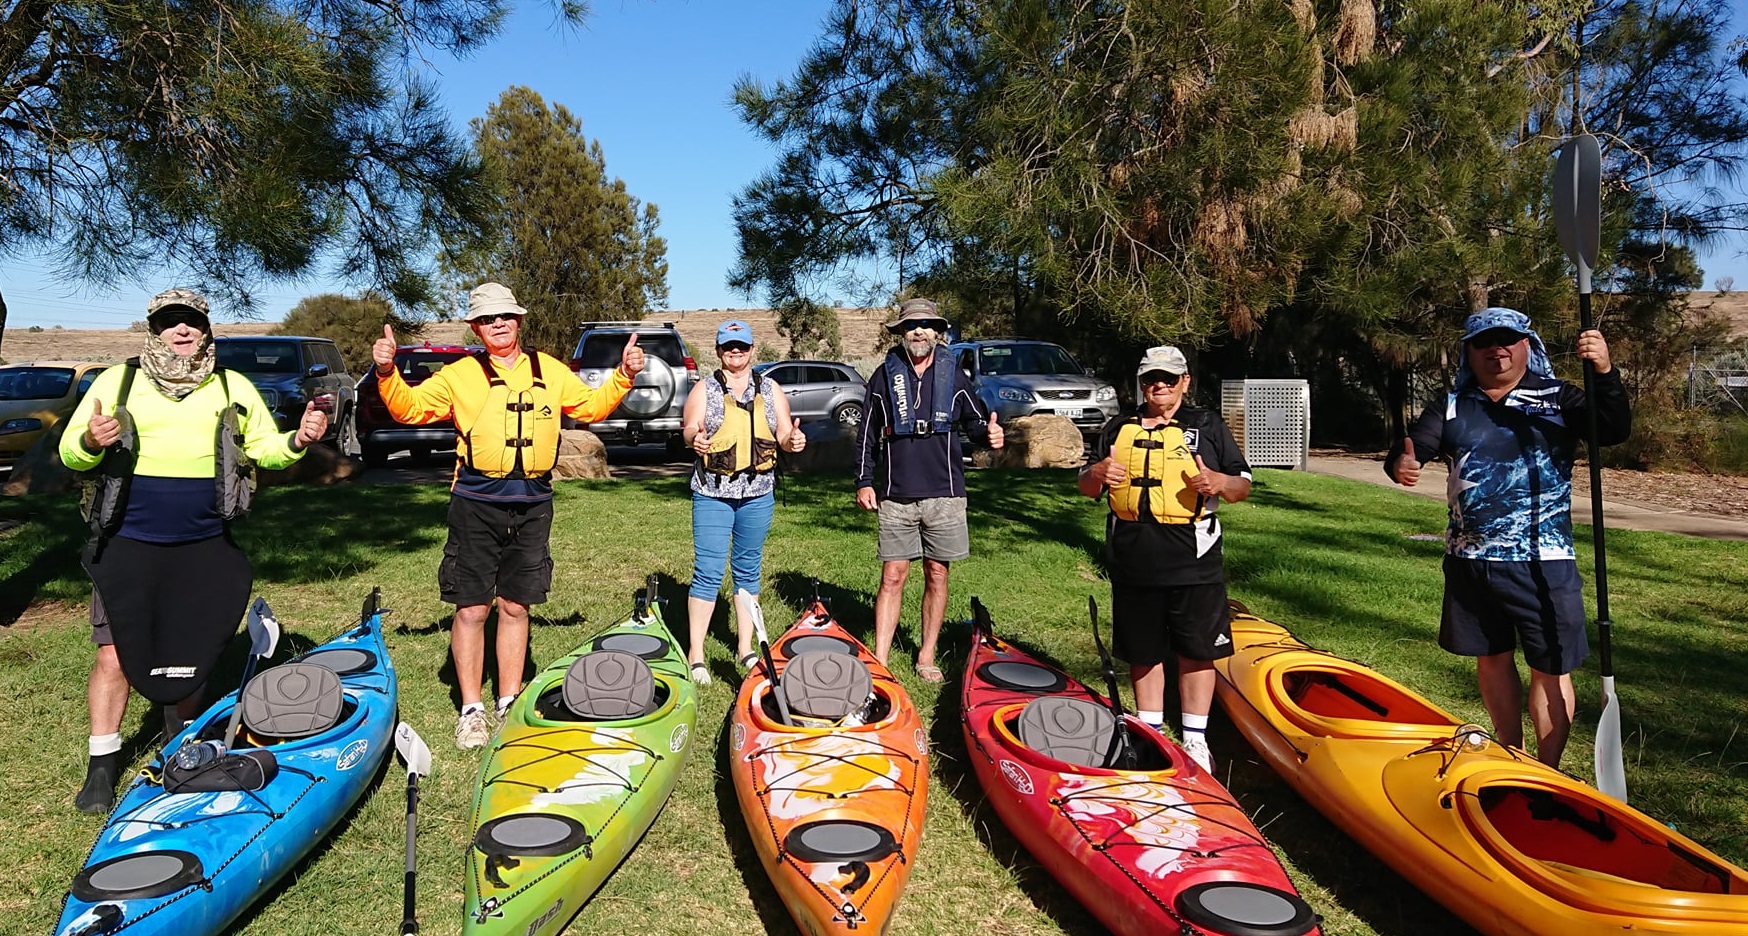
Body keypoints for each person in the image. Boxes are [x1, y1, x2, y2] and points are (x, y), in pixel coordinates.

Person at [61, 288, 326, 813]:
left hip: (203, 543)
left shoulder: (231, 384)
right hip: (127, 542)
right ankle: (102, 764)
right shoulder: (120, 380)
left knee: (192, 652)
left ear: (206, 330)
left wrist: (297, 441)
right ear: (154, 329)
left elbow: (265, 451)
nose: (181, 331)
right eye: (170, 323)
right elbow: (71, 453)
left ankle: (180, 746)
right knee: (113, 654)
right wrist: (92, 440)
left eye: (191, 323)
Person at [372, 282, 643, 748]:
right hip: (476, 501)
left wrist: (623, 374)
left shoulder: (549, 370)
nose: (498, 324)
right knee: (473, 607)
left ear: (518, 320)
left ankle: (510, 702)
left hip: (534, 501)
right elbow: (409, 409)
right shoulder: (460, 375)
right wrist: (385, 371)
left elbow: (590, 405)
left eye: (506, 316)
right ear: (476, 328)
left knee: (516, 605)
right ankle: (473, 709)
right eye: (488, 319)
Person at [1386, 307, 1630, 768]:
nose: (1496, 349)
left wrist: (1604, 371)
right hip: (1470, 563)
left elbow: (1613, 429)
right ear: (1470, 352)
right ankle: (1509, 753)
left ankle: (1546, 768)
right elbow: (1415, 444)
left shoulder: (1559, 398)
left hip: (1544, 561)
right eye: (1484, 342)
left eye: (1508, 340)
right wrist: (1401, 462)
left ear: (1526, 347)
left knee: (1550, 666)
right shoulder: (1454, 404)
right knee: (1491, 657)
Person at [1077, 345, 1250, 773]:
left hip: (1195, 559)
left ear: (1185, 382)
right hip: (1134, 558)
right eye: (1152, 378)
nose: (1159, 386)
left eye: (1169, 379)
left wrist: (1218, 480)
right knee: (1143, 650)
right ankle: (1149, 729)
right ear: (1141, 382)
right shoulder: (1119, 426)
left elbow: (1242, 485)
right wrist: (1096, 475)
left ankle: (1194, 738)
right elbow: (1085, 484)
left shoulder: (1207, 425)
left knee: (1196, 651)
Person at [854, 298, 1003, 683]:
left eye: (926, 325)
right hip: (895, 493)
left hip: (945, 491)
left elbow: (974, 424)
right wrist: (864, 481)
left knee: (937, 572)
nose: (918, 331)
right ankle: (881, 659)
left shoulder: (954, 375)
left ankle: (926, 654)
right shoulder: (883, 376)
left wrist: (989, 434)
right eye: (910, 325)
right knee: (893, 575)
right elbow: (866, 434)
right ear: (901, 333)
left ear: (938, 332)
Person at [679, 320, 806, 684]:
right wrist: (695, 441)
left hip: (758, 494)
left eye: (742, 346)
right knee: (708, 572)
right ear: (719, 351)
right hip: (713, 494)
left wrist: (793, 441)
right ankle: (697, 655)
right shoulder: (705, 389)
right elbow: (689, 427)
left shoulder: (770, 388)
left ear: (752, 350)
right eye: (729, 347)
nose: (736, 352)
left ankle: (745, 647)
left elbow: (783, 432)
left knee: (748, 571)